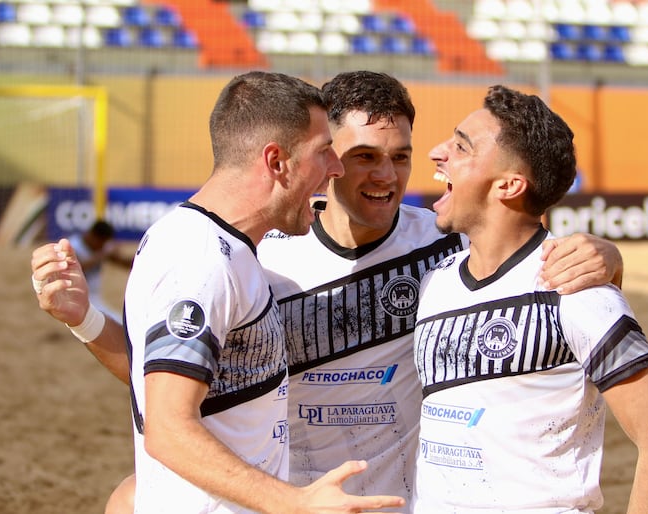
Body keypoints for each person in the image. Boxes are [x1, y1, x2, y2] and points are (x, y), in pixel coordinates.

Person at [31, 72, 624, 513]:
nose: (385, 176)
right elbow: (174, 387)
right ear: (327, 163)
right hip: (294, 499)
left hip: (399, 503)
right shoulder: (261, 257)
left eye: (400, 158)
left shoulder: (445, 249)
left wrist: (606, 256)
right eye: (360, 156)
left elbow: (526, 258)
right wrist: (87, 322)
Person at [33, 71, 407, 514]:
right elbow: (169, 429)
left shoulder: (226, 249)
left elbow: (178, 381)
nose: (336, 167)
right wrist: (294, 502)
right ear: (276, 161)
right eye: (324, 151)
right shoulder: (202, 259)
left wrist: (86, 319)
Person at [412, 85, 648, 512]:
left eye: (461, 146)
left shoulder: (576, 289)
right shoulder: (436, 282)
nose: (437, 152)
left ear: (509, 184)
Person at [67, 219, 132, 322]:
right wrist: (103, 254)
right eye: (102, 243)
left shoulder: (101, 249)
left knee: (119, 321)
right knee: (116, 323)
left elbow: (125, 264)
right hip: (74, 299)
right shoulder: (72, 247)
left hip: (94, 298)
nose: (102, 246)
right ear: (94, 237)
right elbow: (77, 269)